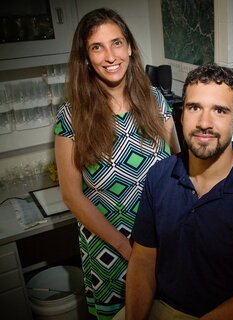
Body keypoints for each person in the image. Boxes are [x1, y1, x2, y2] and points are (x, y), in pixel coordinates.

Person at [120, 63, 233, 320]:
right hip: (161, 305)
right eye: (194, 108)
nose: (204, 123)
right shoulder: (158, 177)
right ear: (181, 116)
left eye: (220, 111)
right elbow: (143, 259)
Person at [54, 8, 179, 320]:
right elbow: (72, 195)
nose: (110, 56)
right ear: (86, 56)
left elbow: (178, 163)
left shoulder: (155, 100)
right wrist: (127, 248)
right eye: (97, 47)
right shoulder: (71, 115)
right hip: (110, 249)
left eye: (117, 43)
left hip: (163, 242)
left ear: (130, 47)